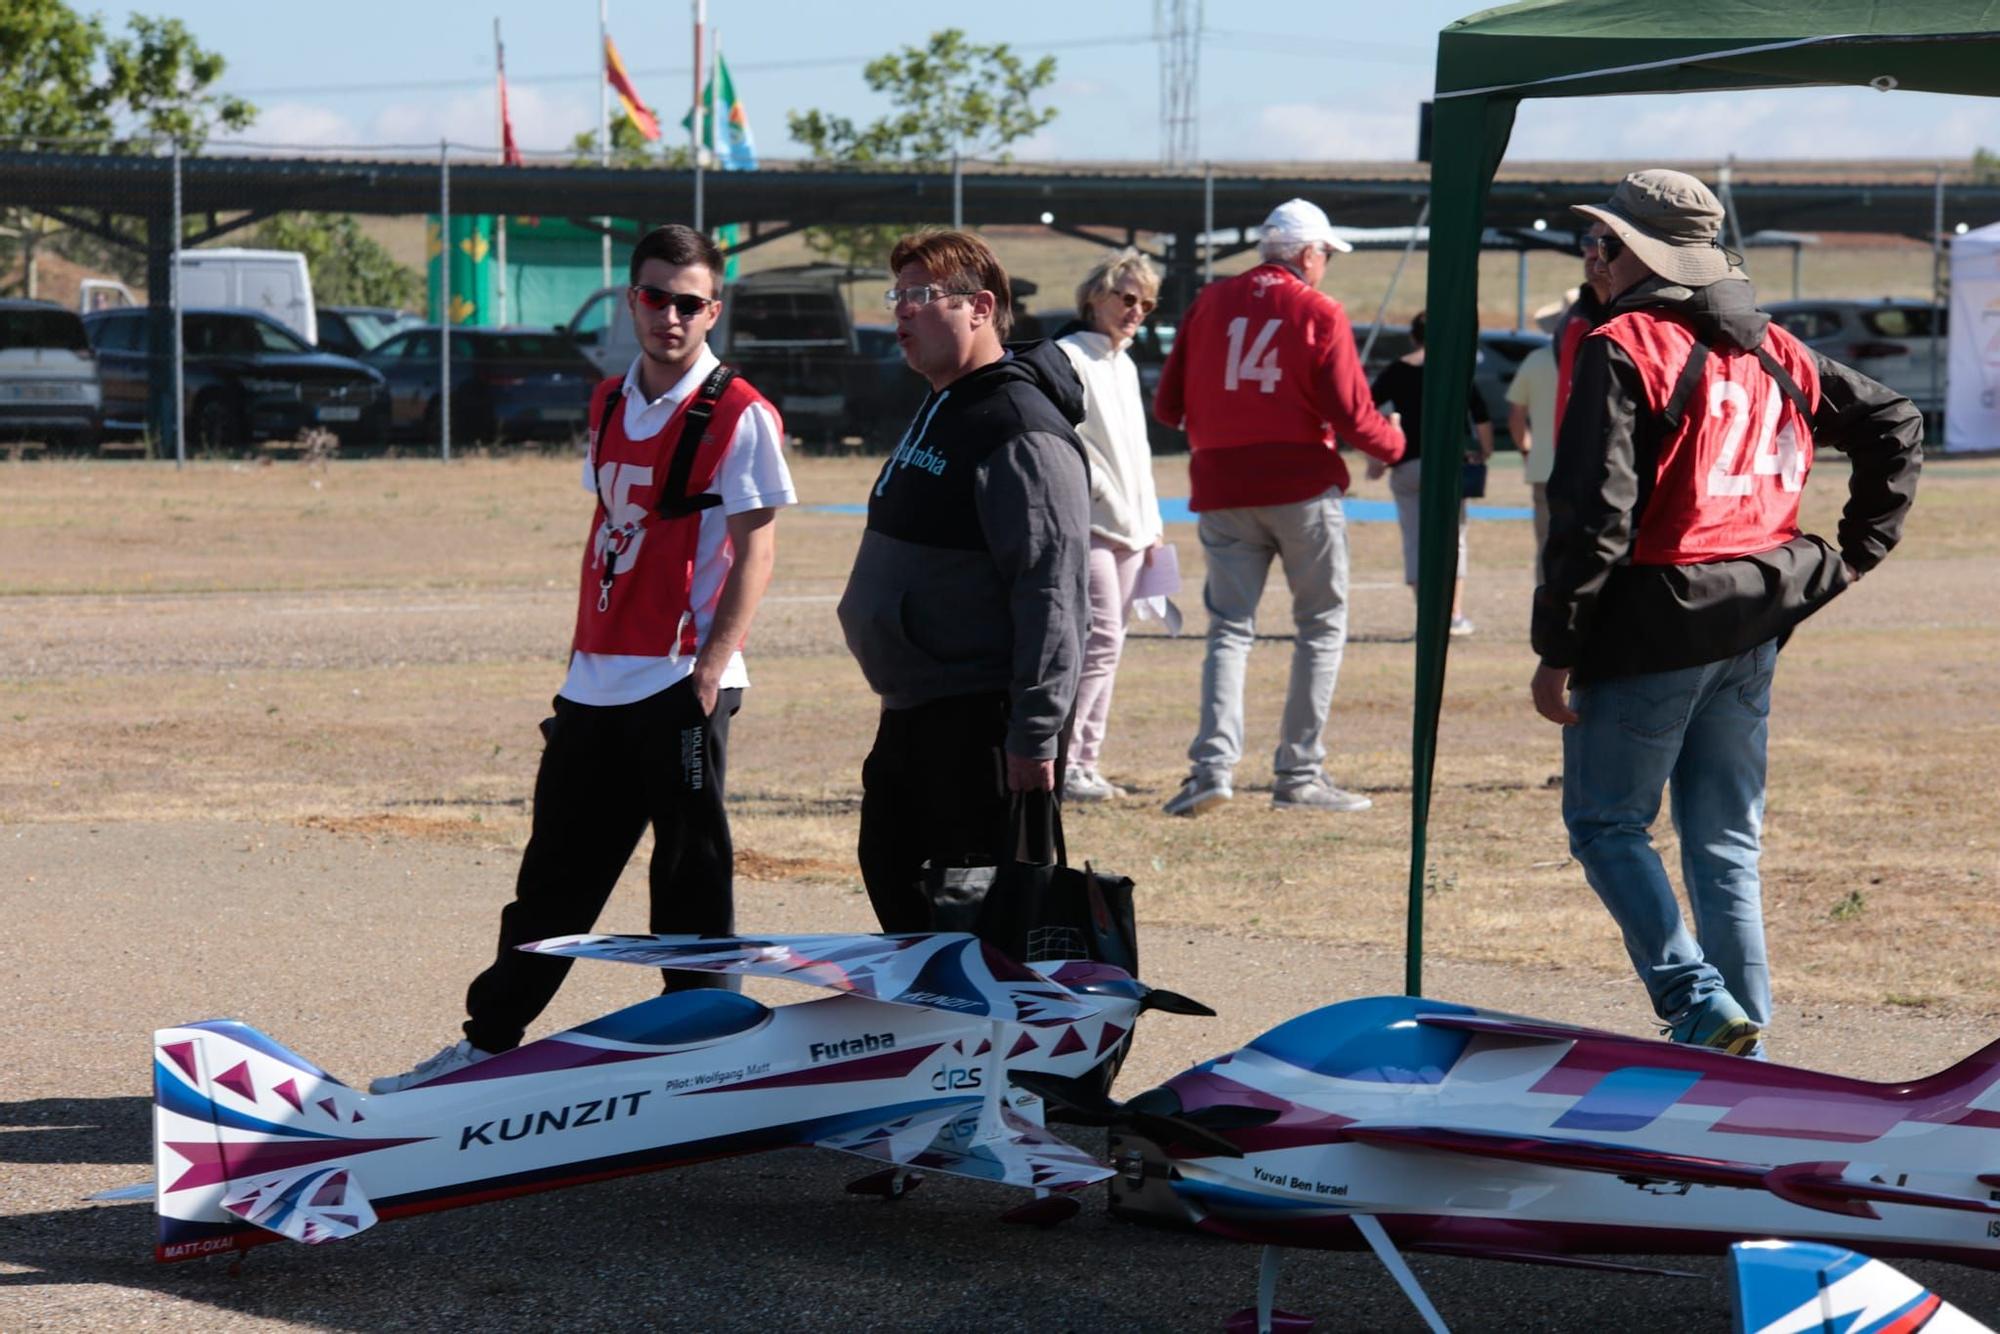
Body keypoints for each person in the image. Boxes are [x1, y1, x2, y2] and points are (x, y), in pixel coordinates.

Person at [372, 225, 796, 1092]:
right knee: (553, 877)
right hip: (595, 678)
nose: (669, 316)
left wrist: (716, 663)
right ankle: (489, 1043)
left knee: (689, 877)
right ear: (631, 300)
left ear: (712, 309)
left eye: (689, 302)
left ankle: (705, 1055)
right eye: (653, 297)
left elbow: (758, 546)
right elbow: (613, 528)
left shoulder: (740, 411)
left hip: (682, 679)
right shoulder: (607, 401)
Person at [1531, 170, 1922, 1056]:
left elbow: (1595, 514)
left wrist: (1556, 647)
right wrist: (1851, 553)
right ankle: (1747, 1038)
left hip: (1656, 623)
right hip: (1754, 613)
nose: (1590, 259)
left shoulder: (1624, 341)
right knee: (1723, 844)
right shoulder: (1776, 345)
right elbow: (1893, 420)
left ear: (1637, 255)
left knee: (1605, 824)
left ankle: (1698, 1002)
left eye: (1600, 243)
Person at [837, 229, 1091, 933]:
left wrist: (1035, 735)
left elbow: (1052, 591)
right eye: (898, 296)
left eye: (922, 296)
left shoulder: (1018, 426)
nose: (902, 313)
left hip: (980, 727)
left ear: (980, 307)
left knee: (973, 924)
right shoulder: (947, 401)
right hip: (917, 712)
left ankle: (989, 1043)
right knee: (896, 883)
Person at [1153, 198, 1405, 816]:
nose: (1325, 269)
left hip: (1221, 487)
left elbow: (1167, 407)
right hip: (1300, 484)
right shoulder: (1318, 309)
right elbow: (1350, 410)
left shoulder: (1209, 302)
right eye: (1324, 257)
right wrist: (1394, 444)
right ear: (1307, 254)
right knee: (1319, 626)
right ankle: (1298, 775)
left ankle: (1211, 770)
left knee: (1229, 630)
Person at [1054, 248, 1167, 802]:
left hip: (1134, 528)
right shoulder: (1068, 356)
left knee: (1112, 645)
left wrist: (1153, 522)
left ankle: (1086, 761)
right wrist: (1100, 498)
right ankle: (1065, 761)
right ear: (1094, 295)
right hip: (1093, 525)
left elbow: (1137, 453)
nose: (1136, 311)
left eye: (1146, 304)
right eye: (1127, 298)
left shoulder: (1122, 363)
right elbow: (1068, 442)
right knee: (1094, 642)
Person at [1367, 311, 1492, 636]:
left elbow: (1366, 408)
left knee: (1414, 538)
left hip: (1407, 463)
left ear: (1413, 336)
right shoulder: (1455, 367)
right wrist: (1484, 452)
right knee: (1455, 538)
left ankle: (1427, 615)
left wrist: (1379, 453)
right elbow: (1481, 417)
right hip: (1449, 464)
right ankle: (1453, 614)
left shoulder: (1396, 370)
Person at [1506, 338, 1560, 583]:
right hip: (1593, 470)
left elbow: (1516, 416)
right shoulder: (1601, 353)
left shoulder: (1536, 360)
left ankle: (1547, 612)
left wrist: (1527, 450)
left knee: (1547, 548)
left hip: (1544, 468)